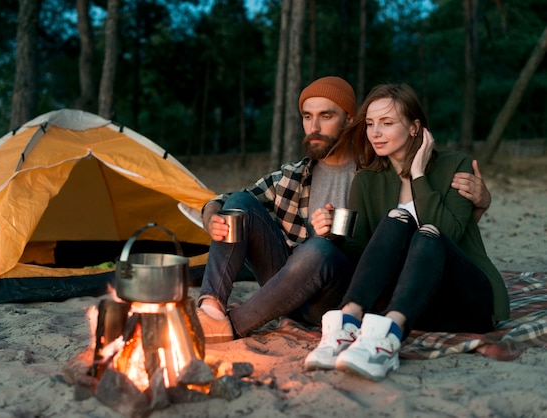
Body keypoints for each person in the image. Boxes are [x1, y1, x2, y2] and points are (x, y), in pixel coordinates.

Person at [197, 76, 492, 344]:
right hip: (281, 287)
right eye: (307, 117)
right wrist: (212, 216)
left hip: (335, 293)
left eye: (326, 116)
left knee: (318, 250)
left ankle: (233, 326)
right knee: (238, 204)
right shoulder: (293, 176)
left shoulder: (372, 171)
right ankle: (210, 309)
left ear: (349, 119)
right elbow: (224, 200)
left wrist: (477, 207)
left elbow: (412, 236)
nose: (314, 127)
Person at [304, 83, 509, 381]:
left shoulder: (455, 165)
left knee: (426, 232)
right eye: (371, 124)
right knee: (397, 219)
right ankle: (349, 326)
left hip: (464, 299)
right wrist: (332, 234)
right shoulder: (367, 180)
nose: (375, 132)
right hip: (408, 303)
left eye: (387, 123)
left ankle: (387, 338)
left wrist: (418, 175)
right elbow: (362, 256)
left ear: (415, 128)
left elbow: (446, 233)